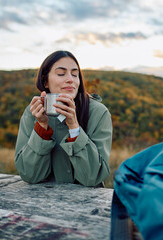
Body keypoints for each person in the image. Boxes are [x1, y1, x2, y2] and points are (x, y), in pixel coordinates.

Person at [15, 50, 112, 187]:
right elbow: (29, 175)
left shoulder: (98, 113)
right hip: (42, 202)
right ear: (45, 81)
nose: (70, 79)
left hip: (88, 204)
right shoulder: (33, 113)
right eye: (61, 73)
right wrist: (42, 127)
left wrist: (74, 127)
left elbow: (93, 177)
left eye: (75, 74)